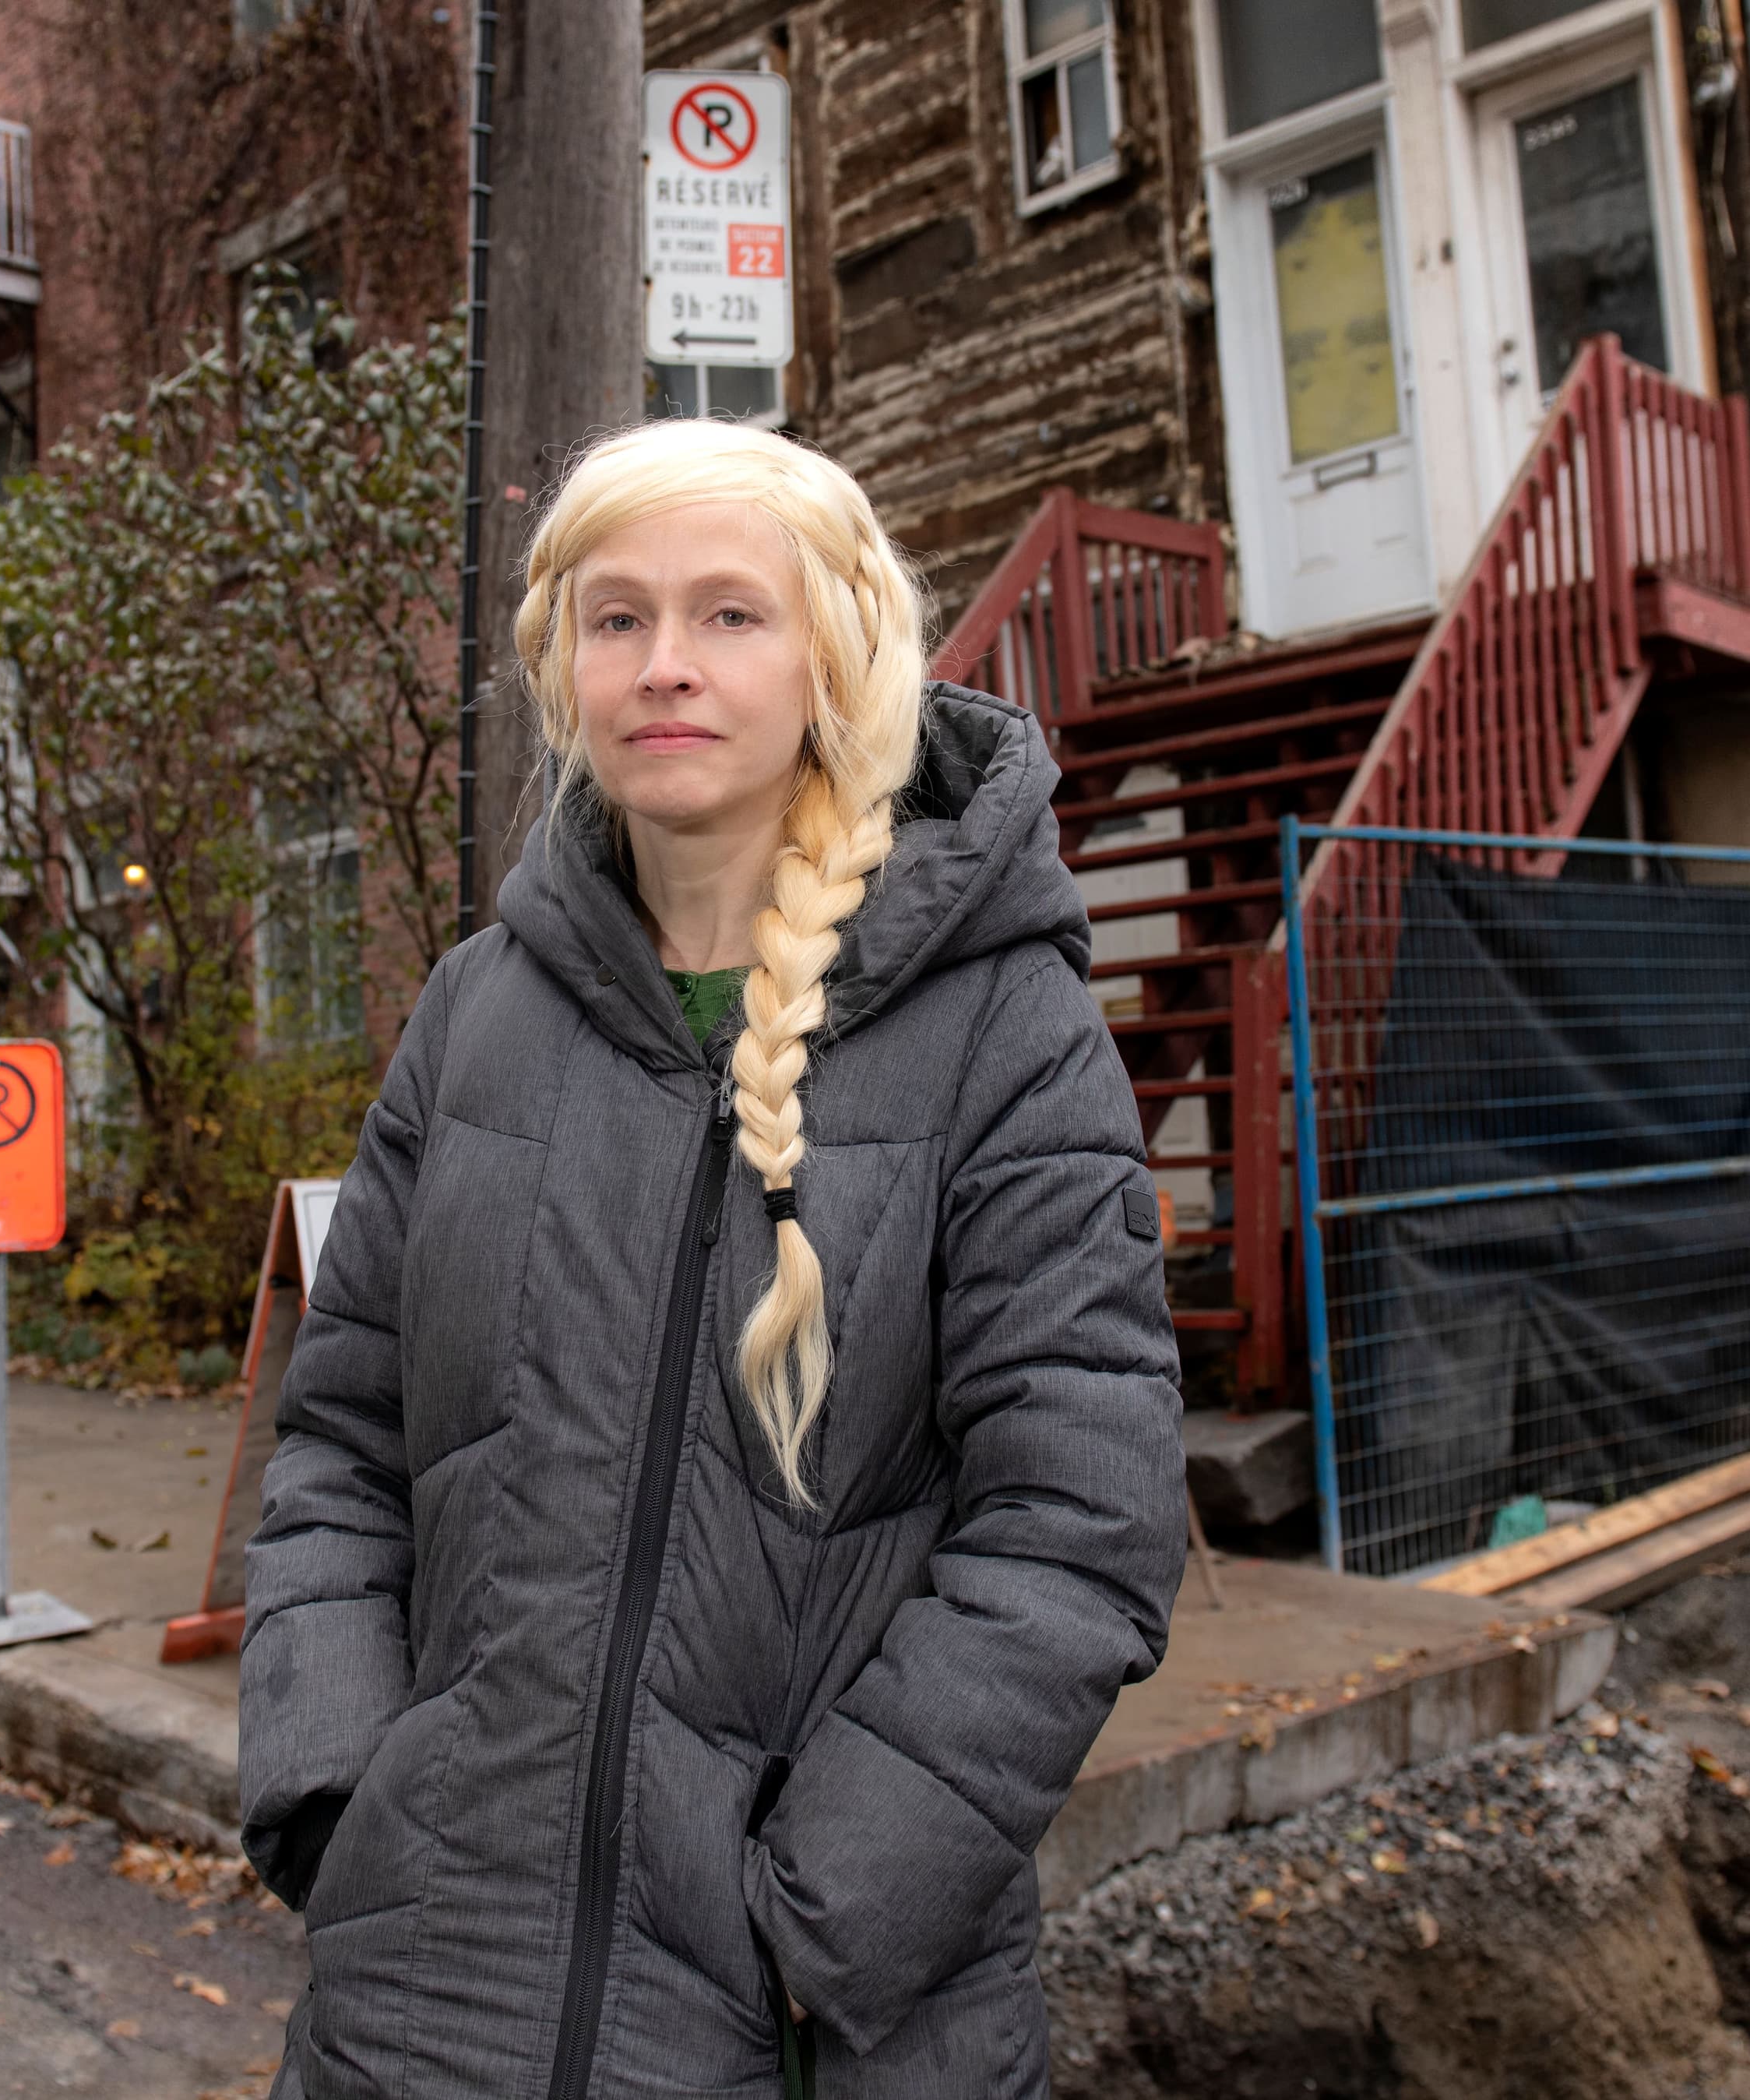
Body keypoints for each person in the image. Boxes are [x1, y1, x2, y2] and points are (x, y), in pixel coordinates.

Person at [240, 419, 1185, 2098]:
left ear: (833, 655)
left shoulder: (1005, 1031)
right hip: (422, 2011)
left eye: (730, 614)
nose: (663, 663)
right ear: (564, 665)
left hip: (810, 2030)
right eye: (617, 617)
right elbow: (341, 1441)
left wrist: (816, 1918)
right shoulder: (476, 1014)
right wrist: (338, 1790)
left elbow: (1078, 1527)